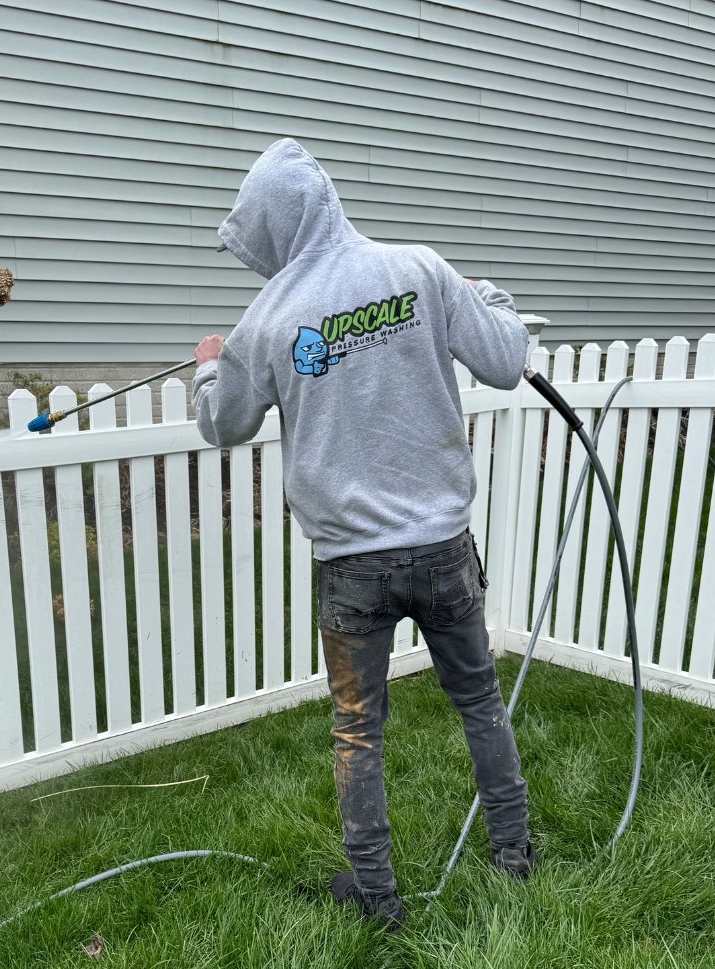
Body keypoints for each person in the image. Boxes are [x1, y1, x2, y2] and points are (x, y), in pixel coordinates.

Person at [191, 138, 535, 929]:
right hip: (444, 551)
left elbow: (222, 423)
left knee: (357, 731)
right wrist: (489, 297)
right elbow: (506, 359)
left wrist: (209, 364)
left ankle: (378, 900)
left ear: (272, 226)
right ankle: (514, 854)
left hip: (351, 570)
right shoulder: (419, 269)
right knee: (480, 701)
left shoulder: (266, 318)